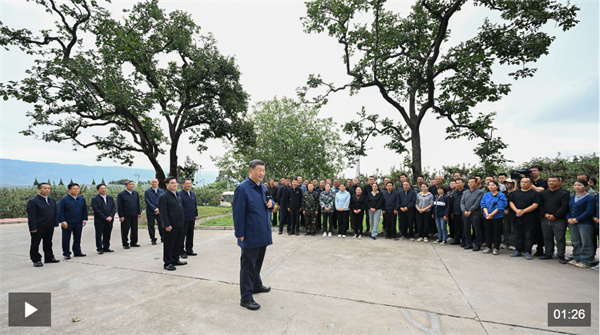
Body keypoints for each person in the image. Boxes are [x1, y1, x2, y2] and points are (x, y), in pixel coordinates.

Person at [233, 160, 273, 310]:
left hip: (262, 234)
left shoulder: (262, 187)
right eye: (258, 170)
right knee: (248, 266)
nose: (261, 173)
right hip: (250, 234)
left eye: (263, 170)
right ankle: (246, 298)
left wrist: (272, 204)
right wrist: (240, 233)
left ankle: (256, 285)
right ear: (250, 170)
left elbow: (270, 202)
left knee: (257, 263)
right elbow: (238, 213)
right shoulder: (242, 188)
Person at [27, 182, 60, 267]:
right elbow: (31, 216)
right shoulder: (33, 201)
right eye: (45, 188)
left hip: (49, 225)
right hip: (38, 226)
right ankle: (36, 259)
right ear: (39, 189)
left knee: (48, 242)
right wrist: (33, 227)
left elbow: (55, 212)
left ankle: (49, 257)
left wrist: (56, 222)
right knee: (35, 243)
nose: (47, 190)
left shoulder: (52, 200)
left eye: (49, 188)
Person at [539, 176, 570, 263]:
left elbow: (564, 206)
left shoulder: (564, 193)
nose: (551, 183)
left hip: (559, 219)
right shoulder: (543, 193)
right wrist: (545, 214)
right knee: (547, 237)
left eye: (554, 181)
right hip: (545, 218)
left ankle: (561, 255)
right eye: (549, 181)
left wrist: (555, 215)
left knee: (560, 238)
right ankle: (548, 253)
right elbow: (540, 206)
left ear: (559, 182)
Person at [509, 177, 541, 260]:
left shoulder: (535, 193)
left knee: (529, 235)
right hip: (516, 217)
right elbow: (511, 202)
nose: (523, 183)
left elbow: (535, 205)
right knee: (517, 235)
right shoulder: (515, 193)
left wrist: (523, 211)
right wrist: (516, 211)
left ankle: (527, 251)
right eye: (522, 182)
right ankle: (518, 250)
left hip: (529, 217)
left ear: (531, 184)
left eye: (526, 182)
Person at [158, 177, 187, 271]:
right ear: (167, 185)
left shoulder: (177, 194)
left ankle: (175, 259)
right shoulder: (164, 196)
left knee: (177, 243)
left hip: (179, 223)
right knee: (169, 244)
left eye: (175, 183)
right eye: (172, 183)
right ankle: (167, 262)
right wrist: (167, 224)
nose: (175, 184)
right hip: (170, 225)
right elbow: (163, 212)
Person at [566, 179, 596, 268]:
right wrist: (568, 218)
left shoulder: (590, 198)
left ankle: (586, 260)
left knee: (586, 241)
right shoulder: (572, 197)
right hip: (572, 222)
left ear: (586, 187)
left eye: (579, 185)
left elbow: (589, 211)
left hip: (585, 223)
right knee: (575, 241)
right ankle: (576, 258)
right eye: (575, 185)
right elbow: (568, 209)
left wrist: (577, 219)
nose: (577, 187)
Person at [58, 183, 88, 260]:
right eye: (74, 189)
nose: (76, 190)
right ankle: (66, 253)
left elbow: (84, 210)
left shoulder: (81, 199)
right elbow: (60, 211)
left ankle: (77, 251)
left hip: (78, 222)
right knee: (66, 238)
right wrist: (62, 221)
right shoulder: (64, 200)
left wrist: (84, 219)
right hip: (67, 222)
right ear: (69, 190)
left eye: (77, 189)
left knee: (77, 237)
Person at [480, 181, 508, 255]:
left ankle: (496, 247)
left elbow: (500, 206)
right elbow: (483, 205)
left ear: (497, 186)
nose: (491, 186)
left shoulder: (501, 195)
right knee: (488, 232)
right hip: (487, 216)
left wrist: (491, 214)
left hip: (497, 217)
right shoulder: (486, 195)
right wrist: (487, 214)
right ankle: (489, 247)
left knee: (497, 233)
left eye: (493, 185)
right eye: (490, 185)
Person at [91, 183, 116, 254]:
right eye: (101, 189)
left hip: (110, 220)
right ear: (97, 190)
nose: (103, 190)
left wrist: (111, 216)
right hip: (100, 220)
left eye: (105, 188)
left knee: (107, 233)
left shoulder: (110, 198)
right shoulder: (95, 199)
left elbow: (113, 208)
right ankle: (99, 248)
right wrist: (105, 217)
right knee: (99, 234)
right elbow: (96, 210)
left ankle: (106, 247)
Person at [461, 177, 484, 251]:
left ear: (476, 183)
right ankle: (468, 244)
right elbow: (462, 203)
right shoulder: (465, 192)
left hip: (475, 213)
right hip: (465, 213)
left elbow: (477, 203)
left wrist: (470, 211)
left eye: (472, 182)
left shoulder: (480, 192)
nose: (470, 184)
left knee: (477, 229)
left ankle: (478, 245)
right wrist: (464, 211)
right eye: (469, 182)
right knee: (466, 229)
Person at [117, 180, 141, 249]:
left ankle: (133, 242)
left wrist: (138, 212)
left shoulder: (135, 193)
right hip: (126, 215)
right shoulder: (121, 194)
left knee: (134, 229)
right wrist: (121, 216)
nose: (132, 186)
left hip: (134, 214)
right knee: (125, 230)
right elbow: (119, 206)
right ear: (126, 185)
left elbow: (137, 204)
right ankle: (125, 243)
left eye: (132, 184)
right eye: (130, 184)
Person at [179, 178, 198, 258]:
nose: (189, 185)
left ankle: (189, 250)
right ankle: (181, 251)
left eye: (190, 183)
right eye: (187, 183)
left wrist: (196, 214)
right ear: (182, 184)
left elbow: (195, 204)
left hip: (191, 217)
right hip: (183, 218)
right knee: (182, 236)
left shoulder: (192, 193)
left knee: (190, 235)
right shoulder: (179, 194)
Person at [144, 178, 164, 245]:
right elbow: (148, 201)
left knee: (161, 225)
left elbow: (163, 201)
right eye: (153, 182)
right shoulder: (147, 192)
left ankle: (163, 237)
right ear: (150, 183)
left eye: (155, 182)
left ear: (158, 183)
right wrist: (155, 209)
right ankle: (153, 239)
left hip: (160, 211)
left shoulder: (161, 191)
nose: (154, 183)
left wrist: (159, 209)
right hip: (151, 212)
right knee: (151, 226)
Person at [502, 178, 517, 250]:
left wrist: (509, 209)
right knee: (505, 228)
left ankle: (513, 244)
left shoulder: (515, 192)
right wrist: (504, 210)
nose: (507, 184)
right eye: (506, 183)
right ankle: (506, 243)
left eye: (509, 183)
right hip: (504, 213)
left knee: (513, 229)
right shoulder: (503, 193)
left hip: (513, 212)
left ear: (513, 184)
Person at [450, 178, 465, 246]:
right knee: (457, 227)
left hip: (463, 212)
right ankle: (457, 240)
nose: (458, 184)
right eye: (457, 183)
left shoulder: (466, 192)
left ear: (463, 183)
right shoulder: (454, 192)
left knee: (464, 227)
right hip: (455, 212)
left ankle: (464, 241)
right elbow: (452, 203)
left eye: (460, 183)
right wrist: (452, 212)